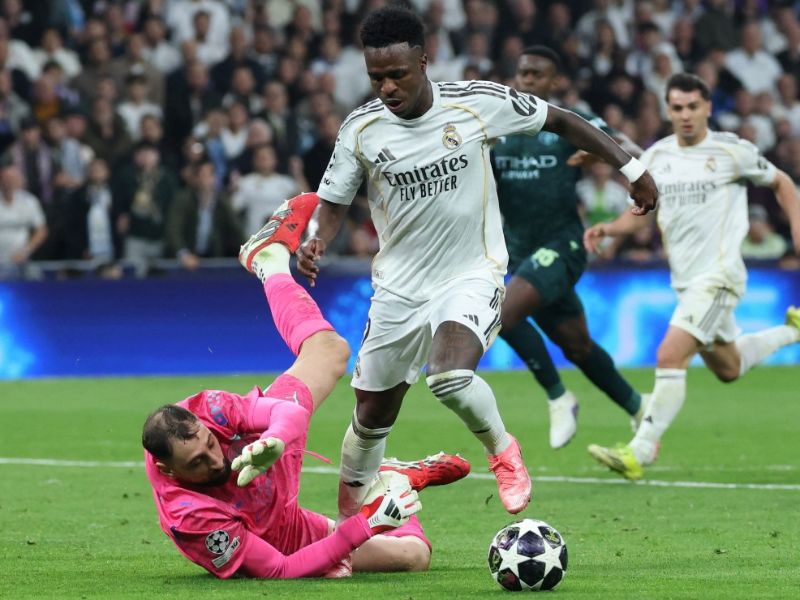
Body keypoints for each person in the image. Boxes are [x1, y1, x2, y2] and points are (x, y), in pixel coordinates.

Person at [296, 7, 658, 517]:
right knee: (371, 413)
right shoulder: (361, 129)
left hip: (471, 270)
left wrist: (632, 168)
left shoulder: (476, 103)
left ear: (425, 61)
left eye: (398, 74)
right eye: (377, 77)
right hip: (398, 286)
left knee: (447, 375)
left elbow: (561, 119)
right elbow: (331, 203)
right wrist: (315, 240)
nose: (388, 88)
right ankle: (352, 522)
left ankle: (503, 452)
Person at [143, 192, 470, 578]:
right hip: (279, 534)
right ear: (167, 470)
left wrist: (275, 439)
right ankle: (391, 482)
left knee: (330, 350)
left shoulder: (207, 410)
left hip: (270, 451)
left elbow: (289, 413)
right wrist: (366, 524)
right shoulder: (191, 517)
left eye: (211, 445)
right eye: (197, 463)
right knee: (414, 556)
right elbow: (280, 568)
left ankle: (269, 262)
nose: (217, 460)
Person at [584, 73, 800, 480]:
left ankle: (640, 450)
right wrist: (609, 229)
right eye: (677, 108)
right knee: (729, 367)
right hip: (685, 281)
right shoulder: (657, 157)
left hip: (719, 277)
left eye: (692, 107)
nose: (685, 115)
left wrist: (797, 229)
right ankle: (792, 331)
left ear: (707, 108)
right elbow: (640, 215)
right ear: (668, 110)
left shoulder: (730, 151)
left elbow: (782, 183)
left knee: (670, 354)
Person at [491, 45, 647, 450]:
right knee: (577, 345)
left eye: (537, 75)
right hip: (522, 254)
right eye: (523, 73)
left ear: (554, 82)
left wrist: (601, 148)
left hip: (564, 244)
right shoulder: (495, 128)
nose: (527, 81)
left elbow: (617, 142)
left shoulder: (565, 123)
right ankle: (640, 408)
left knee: (501, 315)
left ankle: (559, 398)